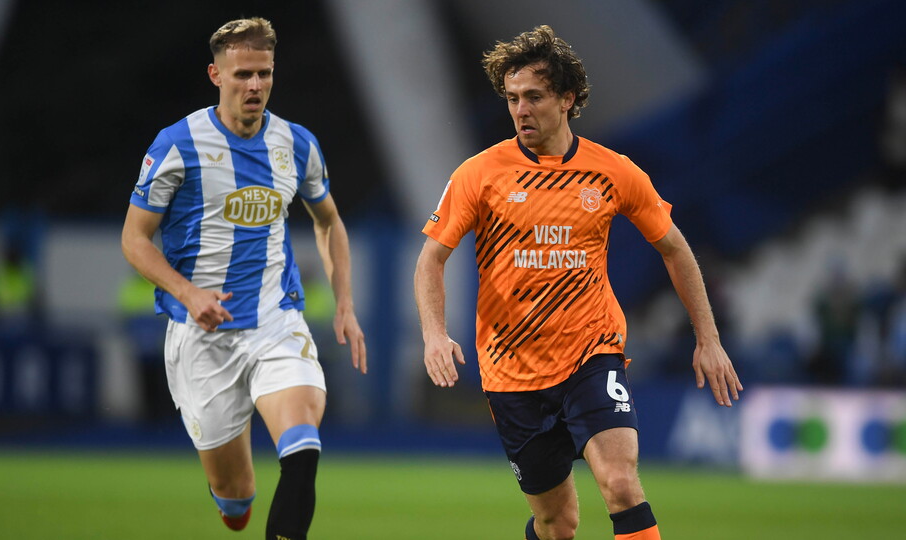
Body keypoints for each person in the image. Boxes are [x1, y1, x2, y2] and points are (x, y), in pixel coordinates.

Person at [413, 26, 741, 540]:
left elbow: (675, 248)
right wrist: (434, 334)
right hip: (510, 371)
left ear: (567, 99)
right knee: (556, 522)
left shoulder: (613, 171)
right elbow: (430, 260)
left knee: (620, 483)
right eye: (513, 98)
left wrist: (709, 339)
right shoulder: (479, 174)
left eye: (534, 97)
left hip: (591, 354)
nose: (521, 109)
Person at [121, 17, 366, 540]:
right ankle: (233, 502)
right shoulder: (177, 143)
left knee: (302, 449)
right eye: (242, 75)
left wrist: (344, 302)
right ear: (216, 74)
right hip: (200, 339)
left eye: (264, 74)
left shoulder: (296, 144)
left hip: (275, 322)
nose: (255, 86)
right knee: (236, 503)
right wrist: (187, 294)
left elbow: (330, 222)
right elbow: (134, 239)